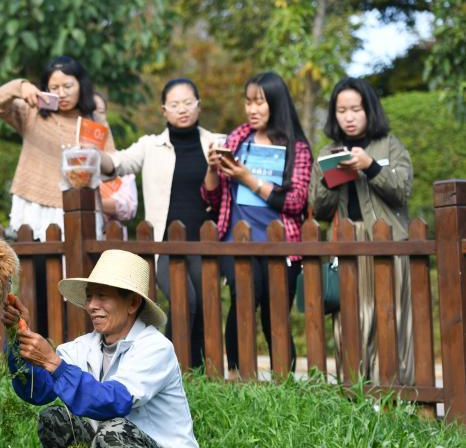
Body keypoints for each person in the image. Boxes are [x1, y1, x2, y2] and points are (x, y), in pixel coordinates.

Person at [3, 250, 202, 448]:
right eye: (90, 297)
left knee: (114, 433)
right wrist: (17, 336)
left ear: (132, 302)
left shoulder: (154, 347)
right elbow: (38, 392)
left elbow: (113, 402)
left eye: (103, 297)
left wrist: (52, 362)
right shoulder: (84, 346)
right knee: (54, 418)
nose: (92, 306)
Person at [100, 78, 219, 368]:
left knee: (205, 306)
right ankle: (171, 368)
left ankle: (200, 373)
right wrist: (93, 155)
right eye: (175, 104)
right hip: (165, 242)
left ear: (199, 105)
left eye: (188, 103)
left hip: (207, 242)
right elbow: (118, 164)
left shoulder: (216, 142)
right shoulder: (151, 145)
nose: (182, 109)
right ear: (164, 110)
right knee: (184, 303)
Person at [0, 56, 114, 334]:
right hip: (36, 203)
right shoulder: (32, 113)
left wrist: (93, 155)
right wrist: (21, 87)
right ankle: (36, 339)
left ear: (81, 85)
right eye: (54, 86)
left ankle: (78, 340)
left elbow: (112, 164)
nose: (61, 93)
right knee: (37, 277)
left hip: (80, 205)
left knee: (79, 276)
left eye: (68, 86)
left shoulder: (92, 121)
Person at [201, 72, 311, 377]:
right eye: (248, 102)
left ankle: (283, 381)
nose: (252, 109)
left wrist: (246, 177)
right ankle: (237, 376)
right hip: (236, 241)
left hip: (282, 244)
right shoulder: (236, 139)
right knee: (242, 305)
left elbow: (296, 201)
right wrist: (212, 169)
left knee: (276, 314)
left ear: (275, 103)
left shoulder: (297, 147)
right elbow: (210, 196)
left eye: (260, 102)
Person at [309, 77, 413, 384]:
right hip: (346, 245)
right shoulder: (328, 152)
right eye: (342, 110)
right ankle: (353, 392)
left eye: (356, 108)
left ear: (369, 109)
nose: (349, 116)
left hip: (387, 246)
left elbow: (402, 189)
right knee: (349, 319)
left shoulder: (389, 145)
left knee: (389, 317)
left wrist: (370, 166)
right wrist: (330, 178)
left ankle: (395, 392)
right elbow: (320, 208)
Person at [93, 93, 137, 239]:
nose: (95, 117)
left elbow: (128, 206)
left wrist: (92, 205)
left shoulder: (118, 161)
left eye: (100, 111)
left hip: (112, 243)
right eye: (88, 111)